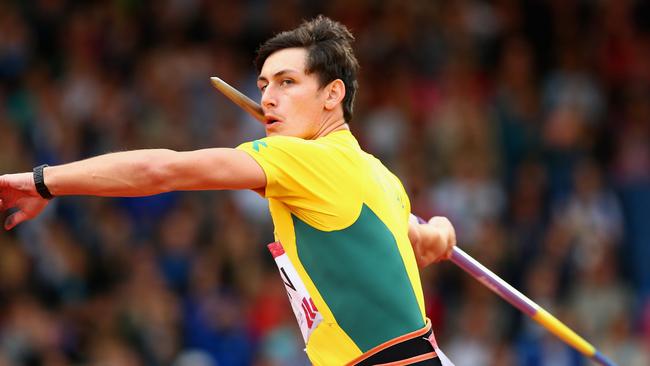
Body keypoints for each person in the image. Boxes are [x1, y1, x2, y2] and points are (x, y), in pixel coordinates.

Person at [0, 16, 456, 366]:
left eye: (287, 83)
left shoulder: (306, 160)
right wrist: (439, 230)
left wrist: (44, 180)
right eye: (263, 86)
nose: (268, 98)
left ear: (333, 94)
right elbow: (419, 242)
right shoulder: (377, 175)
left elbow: (162, 170)